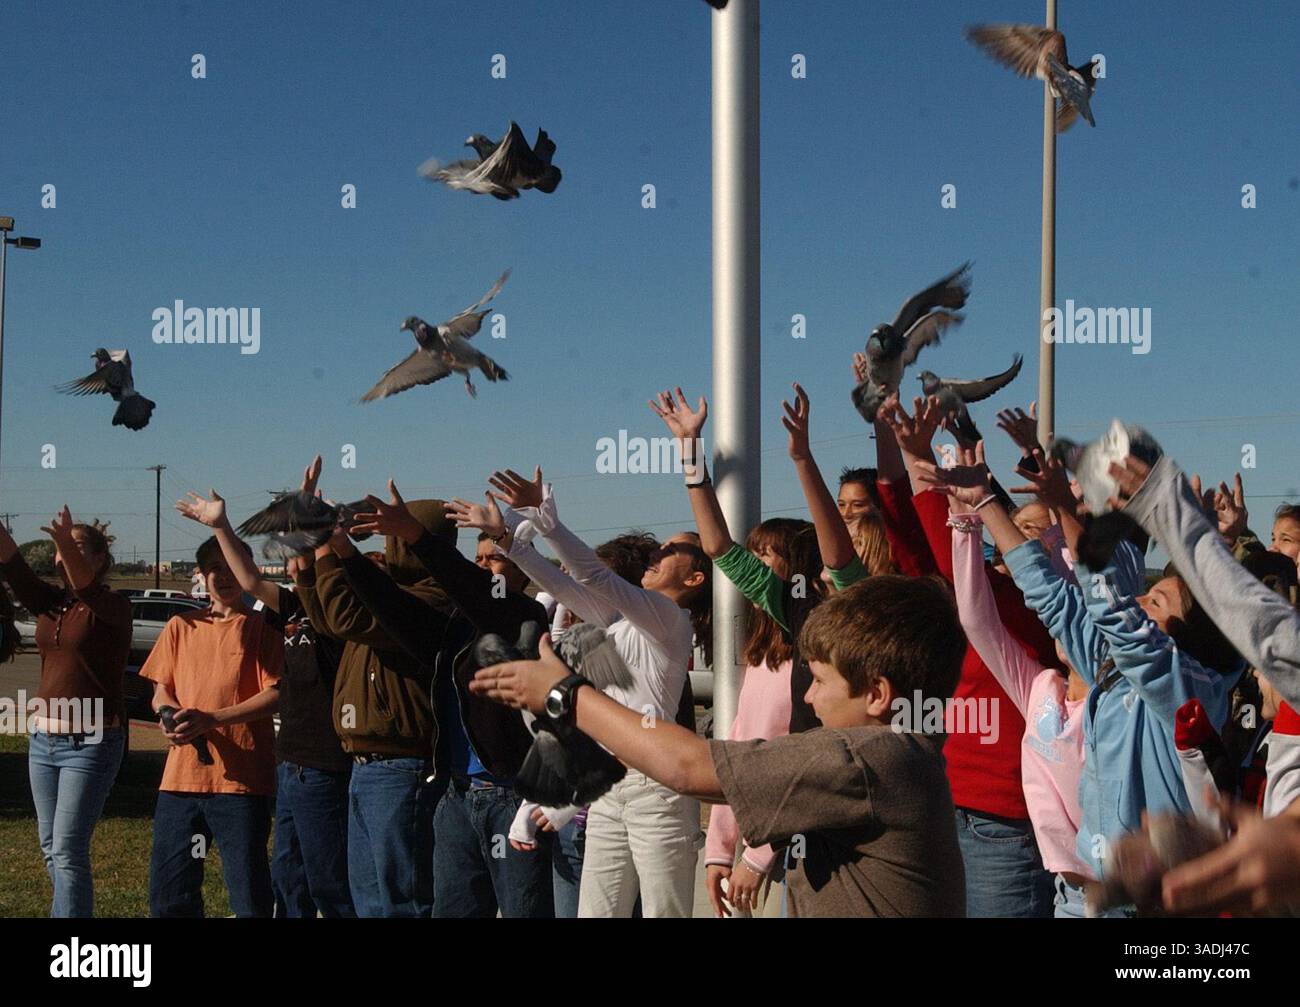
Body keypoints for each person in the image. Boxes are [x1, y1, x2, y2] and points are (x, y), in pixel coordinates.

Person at [471, 575, 968, 918]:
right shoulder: (905, 748)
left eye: (817, 681)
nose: (809, 698)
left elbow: (690, 767)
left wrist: (565, 694)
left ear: (878, 695)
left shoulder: (861, 758)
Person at [448, 467, 709, 918]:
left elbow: (596, 577)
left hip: (658, 792)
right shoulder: (618, 621)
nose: (657, 552)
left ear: (694, 580)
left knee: (664, 913)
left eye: (672, 550)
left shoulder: (670, 620)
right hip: (610, 787)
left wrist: (548, 523)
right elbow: (564, 583)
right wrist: (508, 539)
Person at [878, 395, 1059, 918]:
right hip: (950, 805)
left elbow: (942, 546)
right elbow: (913, 548)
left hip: (1005, 824)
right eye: (1015, 526)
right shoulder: (977, 595)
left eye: (1035, 531)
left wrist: (921, 469)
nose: (1019, 540)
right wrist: (895, 444)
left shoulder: (1035, 610)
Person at [345, 482, 553, 919]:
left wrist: (418, 538)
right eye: (478, 559)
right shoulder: (456, 626)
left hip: (511, 797)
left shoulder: (526, 618)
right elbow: (393, 609)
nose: (484, 567)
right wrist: (337, 548)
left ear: (520, 566)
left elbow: (472, 589)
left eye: (494, 558)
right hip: (457, 795)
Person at [175, 456, 355, 918]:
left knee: (328, 882)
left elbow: (311, 563)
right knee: (288, 880)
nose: (290, 558)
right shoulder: (292, 606)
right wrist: (222, 526)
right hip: (290, 763)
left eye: (300, 550)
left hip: (325, 766)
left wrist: (311, 516)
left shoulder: (341, 615)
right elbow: (251, 577)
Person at [293, 498, 453, 918]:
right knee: (369, 900)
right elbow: (329, 621)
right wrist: (310, 567)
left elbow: (346, 616)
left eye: (392, 535)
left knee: (403, 899)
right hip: (367, 767)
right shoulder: (394, 594)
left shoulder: (433, 598)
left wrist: (330, 545)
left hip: (402, 766)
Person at [143, 535, 283, 918]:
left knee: (248, 892)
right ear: (201, 576)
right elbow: (160, 690)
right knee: (171, 894)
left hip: (241, 783)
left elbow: (277, 694)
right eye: (213, 568)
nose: (223, 576)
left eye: (231, 567)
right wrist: (169, 715)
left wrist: (214, 718)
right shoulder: (179, 626)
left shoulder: (262, 628)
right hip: (180, 782)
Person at [0, 509, 130, 917]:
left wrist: (62, 544)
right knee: (49, 847)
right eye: (59, 548)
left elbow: (87, 588)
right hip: (42, 741)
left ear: (98, 559)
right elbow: (13, 562)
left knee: (68, 849)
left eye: (73, 547)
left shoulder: (111, 607)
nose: (61, 554)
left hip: (91, 742)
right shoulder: (50, 603)